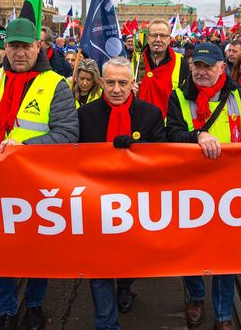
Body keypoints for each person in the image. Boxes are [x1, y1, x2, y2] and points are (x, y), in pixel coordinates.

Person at [0, 18, 78, 330]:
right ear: (5, 48)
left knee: (36, 250)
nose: (18, 53)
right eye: (12, 46)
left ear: (37, 47)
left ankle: (35, 305)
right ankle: (6, 310)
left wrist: (25, 146)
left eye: (25, 46)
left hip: (35, 185)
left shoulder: (55, 84)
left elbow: (68, 134)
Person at [78, 57, 166, 329]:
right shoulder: (84, 115)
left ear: (133, 84)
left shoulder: (150, 114)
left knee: (130, 258)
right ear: (101, 82)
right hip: (96, 202)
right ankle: (106, 323)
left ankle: (126, 286)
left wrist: (138, 152)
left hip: (135, 202)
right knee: (100, 267)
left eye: (123, 83)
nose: (117, 89)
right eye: (111, 83)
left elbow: (163, 156)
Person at [166, 43, 241, 330]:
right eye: (196, 66)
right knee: (193, 247)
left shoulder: (237, 93)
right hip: (193, 186)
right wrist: (197, 135)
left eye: (207, 66)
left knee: (227, 254)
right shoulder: (178, 96)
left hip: (231, 187)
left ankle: (224, 314)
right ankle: (197, 297)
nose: (201, 71)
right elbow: (172, 134)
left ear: (221, 67)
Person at [136, 19, 189, 117]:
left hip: (169, 125)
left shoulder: (181, 63)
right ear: (147, 39)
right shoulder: (136, 61)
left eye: (163, 36)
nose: (158, 40)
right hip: (140, 122)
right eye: (154, 35)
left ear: (169, 39)